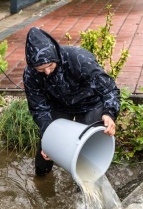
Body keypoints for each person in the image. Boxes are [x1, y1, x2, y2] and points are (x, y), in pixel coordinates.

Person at [23, 27, 121, 177]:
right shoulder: (30, 74)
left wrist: (109, 113)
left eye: (50, 66)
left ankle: (85, 182)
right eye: (41, 69)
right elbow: (38, 108)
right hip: (59, 105)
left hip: (90, 103)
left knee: (86, 147)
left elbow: (108, 89)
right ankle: (42, 179)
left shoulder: (79, 59)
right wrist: (49, 135)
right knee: (46, 148)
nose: (47, 72)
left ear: (55, 55)